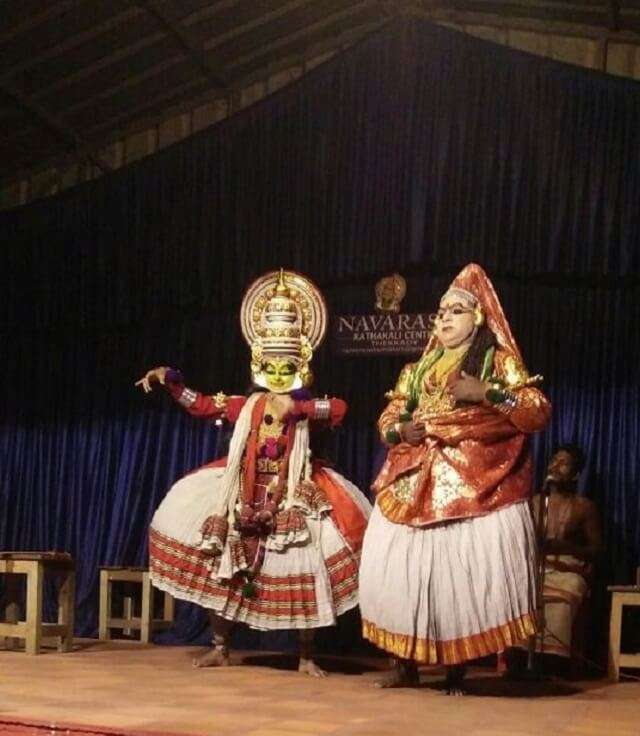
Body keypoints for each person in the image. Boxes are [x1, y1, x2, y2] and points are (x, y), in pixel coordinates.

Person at [136, 269, 370, 674]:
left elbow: (341, 410)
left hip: (294, 492)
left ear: (300, 366)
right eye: (272, 368)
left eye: (286, 369)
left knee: (304, 567)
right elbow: (204, 405)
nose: (278, 377)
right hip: (241, 492)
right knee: (221, 568)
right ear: (260, 364)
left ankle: (306, 655)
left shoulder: (307, 409)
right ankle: (220, 645)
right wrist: (171, 382)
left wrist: (295, 408)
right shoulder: (245, 406)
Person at [359, 263, 551, 694]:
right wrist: (397, 431)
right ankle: (403, 664)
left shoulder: (496, 362)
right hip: (411, 480)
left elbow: (536, 411)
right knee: (399, 573)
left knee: (456, 576)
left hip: (471, 484)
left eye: (456, 311)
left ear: (478, 317)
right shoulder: (417, 368)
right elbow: (390, 415)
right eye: (441, 311)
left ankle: (456, 671)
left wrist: (486, 393)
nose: (443, 318)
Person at [530, 443, 602, 660]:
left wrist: (565, 548)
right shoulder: (534, 502)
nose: (555, 465)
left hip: (568, 571)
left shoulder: (584, 507)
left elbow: (597, 551)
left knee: (570, 588)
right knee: (515, 590)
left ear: (576, 474)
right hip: (536, 568)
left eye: (564, 463)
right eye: (554, 460)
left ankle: (554, 658)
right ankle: (521, 655)